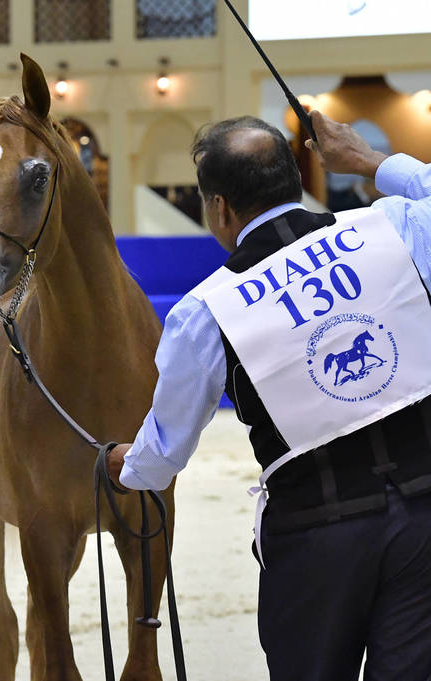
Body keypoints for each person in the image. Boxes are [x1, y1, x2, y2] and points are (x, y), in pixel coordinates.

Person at [105, 113, 431, 681]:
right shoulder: (394, 226)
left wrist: (123, 467)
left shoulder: (206, 310)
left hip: (316, 539)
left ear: (220, 208)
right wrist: (372, 162)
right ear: (294, 177)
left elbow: (161, 457)